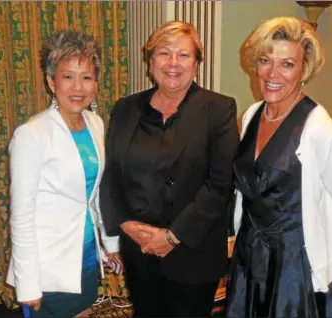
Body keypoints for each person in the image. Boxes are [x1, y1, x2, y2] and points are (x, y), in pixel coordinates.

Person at [225, 17, 332, 318]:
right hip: (250, 253)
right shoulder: (252, 114)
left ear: (304, 69)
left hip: (296, 266)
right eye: (265, 60)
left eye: (287, 64)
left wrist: (310, 226)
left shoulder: (319, 128)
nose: (273, 73)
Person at [99, 21, 239, 317]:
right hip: (139, 248)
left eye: (184, 55)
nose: (173, 63)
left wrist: (173, 237)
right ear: (150, 63)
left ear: (197, 63)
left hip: (193, 250)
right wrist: (124, 224)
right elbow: (110, 175)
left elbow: (220, 184)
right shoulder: (125, 109)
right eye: (164, 53)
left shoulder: (218, 109)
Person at [6, 30, 122, 318]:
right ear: (51, 81)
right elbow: (21, 215)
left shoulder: (95, 123)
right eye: (67, 76)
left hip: (84, 258)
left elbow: (94, 196)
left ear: (96, 83)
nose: (77, 87)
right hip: (47, 268)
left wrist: (110, 244)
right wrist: (27, 283)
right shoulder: (32, 135)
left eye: (86, 77)